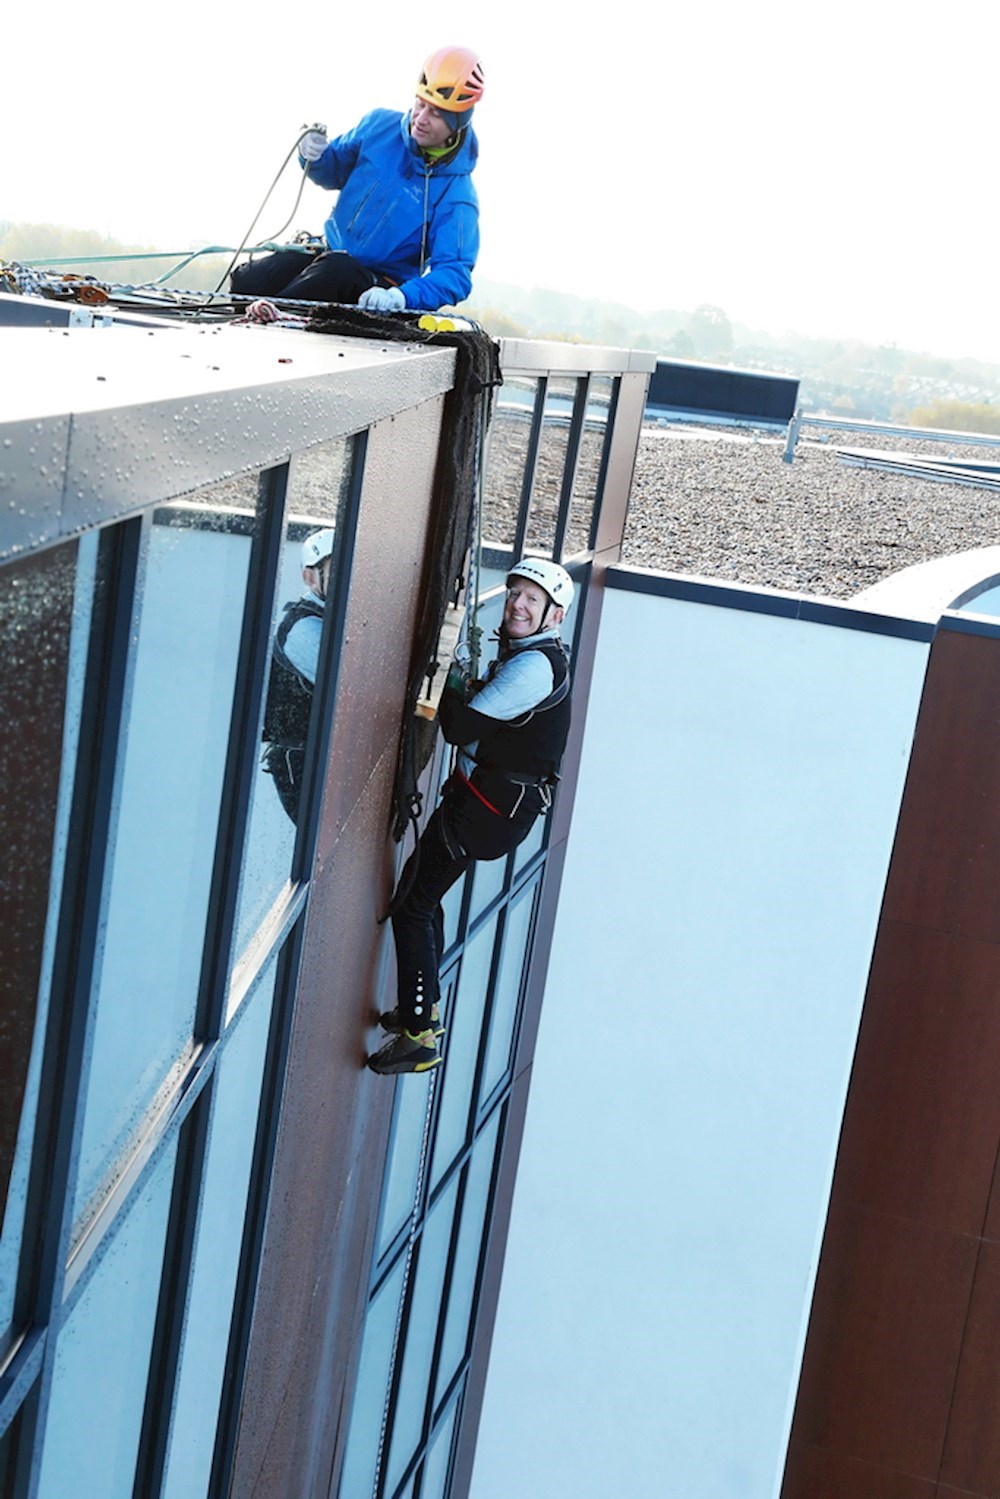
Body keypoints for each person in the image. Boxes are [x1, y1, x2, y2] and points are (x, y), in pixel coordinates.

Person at [368, 559, 575, 1076]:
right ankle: (422, 1013)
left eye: (532, 600)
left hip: (485, 812)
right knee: (424, 897)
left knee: (412, 905)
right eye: (515, 595)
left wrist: (450, 675)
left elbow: (458, 727)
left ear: (554, 616)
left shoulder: (534, 668)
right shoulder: (528, 653)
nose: (518, 606)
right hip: (487, 806)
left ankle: (419, 1038)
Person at [231, 46, 483, 314]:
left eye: (435, 113)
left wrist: (401, 297)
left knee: (333, 275)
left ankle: (269, 318)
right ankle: (255, 317)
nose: (420, 119)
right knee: (249, 279)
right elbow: (333, 170)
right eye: (420, 104)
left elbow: (455, 273)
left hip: (379, 284)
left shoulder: (458, 195)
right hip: (326, 253)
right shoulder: (378, 126)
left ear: (456, 124)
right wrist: (313, 155)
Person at [261, 528, 335, 823]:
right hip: (302, 765)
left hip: (319, 755)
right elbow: (353, 687)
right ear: (310, 577)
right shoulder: (303, 629)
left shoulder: (334, 617)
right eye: (337, 570)